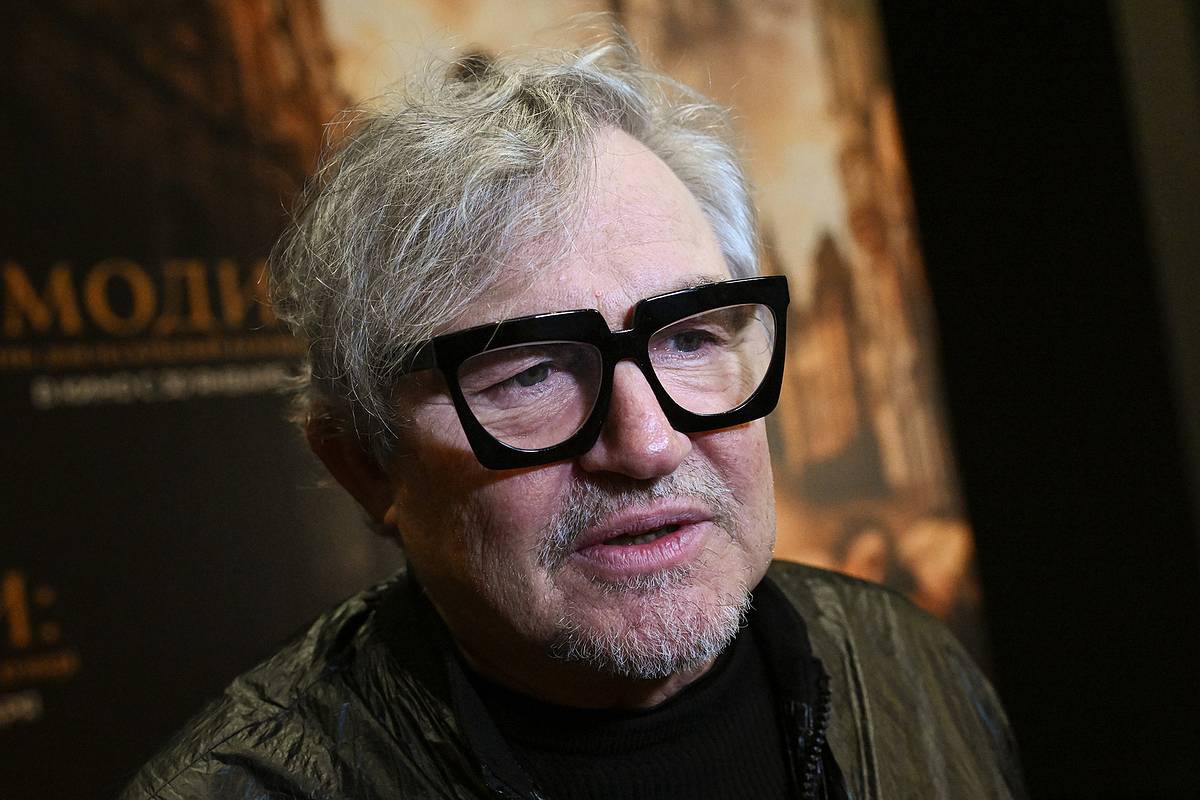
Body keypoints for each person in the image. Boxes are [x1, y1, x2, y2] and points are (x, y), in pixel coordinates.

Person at [121, 36, 1025, 800]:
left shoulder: (910, 664)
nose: (648, 443)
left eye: (689, 338)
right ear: (365, 464)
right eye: (532, 374)